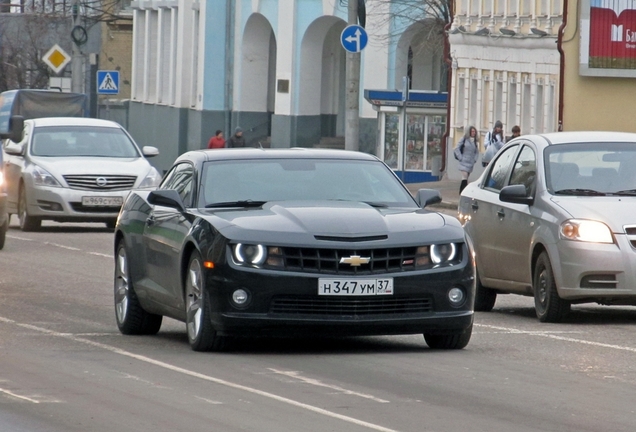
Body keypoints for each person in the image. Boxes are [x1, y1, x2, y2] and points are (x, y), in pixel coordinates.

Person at [454, 126, 480, 194]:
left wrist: (475, 159)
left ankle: (463, 192)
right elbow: (456, 148)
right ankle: (463, 192)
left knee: (465, 178)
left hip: (470, 163)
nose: (473, 133)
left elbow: (477, 152)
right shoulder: (464, 139)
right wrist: (460, 157)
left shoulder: (475, 141)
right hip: (463, 161)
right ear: (469, 132)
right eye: (472, 131)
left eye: (474, 131)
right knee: (464, 177)